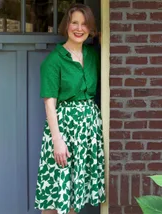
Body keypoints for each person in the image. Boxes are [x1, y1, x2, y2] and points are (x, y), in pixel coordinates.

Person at [34, 3, 105, 214]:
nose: (79, 28)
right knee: (56, 191)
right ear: (67, 25)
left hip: (87, 132)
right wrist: (57, 140)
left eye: (84, 24)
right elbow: (49, 103)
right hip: (63, 130)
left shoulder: (93, 55)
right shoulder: (54, 60)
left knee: (75, 194)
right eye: (74, 22)